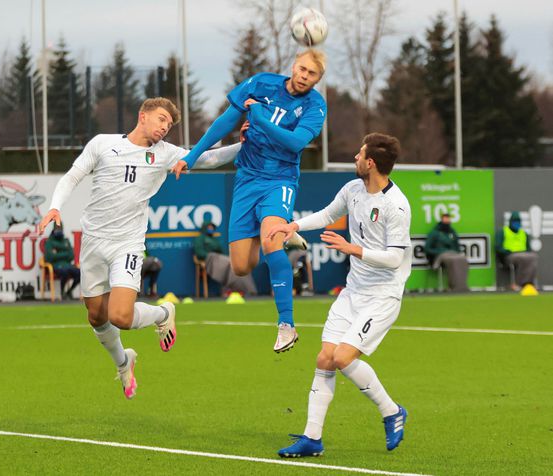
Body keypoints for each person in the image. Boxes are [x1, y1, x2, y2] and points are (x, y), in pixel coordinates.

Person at [38, 97, 239, 400]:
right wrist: (55, 207)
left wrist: (247, 144)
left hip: (128, 244)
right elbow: (73, 176)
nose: (164, 128)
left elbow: (208, 159)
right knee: (96, 316)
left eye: (169, 125)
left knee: (120, 315)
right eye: (160, 119)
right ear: (142, 115)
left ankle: (162, 313)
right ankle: (123, 361)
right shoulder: (103, 144)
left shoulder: (166, 154)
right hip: (93, 241)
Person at [172, 49, 327, 353]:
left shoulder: (315, 106)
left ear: (317, 79)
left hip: (279, 180)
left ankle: (286, 325)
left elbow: (296, 143)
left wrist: (258, 118)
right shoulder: (262, 83)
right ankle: (283, 231)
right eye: (302, 69)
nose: (304, 76)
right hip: (246, 179)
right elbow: (223, 122)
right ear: (293, 65)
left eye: (312, 74)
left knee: (270, 240)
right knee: (242, 266)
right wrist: (191, 157)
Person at [267, 133, 411, 456]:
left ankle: (392, 411)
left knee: (343, 358)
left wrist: (352, 249)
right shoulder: (353, 189)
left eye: (359, 154)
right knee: (325, 359)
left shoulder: (396, 206)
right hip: (353, 292)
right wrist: (294, 227)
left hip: (382, 296)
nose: (355, 158)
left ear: (370, 163)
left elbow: (395, 258)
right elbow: (328, 214)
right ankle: (312, 438)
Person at [193, 220, 257, 296]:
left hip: (219, 258)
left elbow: (221, 251)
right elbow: (199, 252)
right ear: (204, 228)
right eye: (209, 227)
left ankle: (248, 290)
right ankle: (235, 289)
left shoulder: (214, 239)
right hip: (210, 259)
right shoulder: (200, 238)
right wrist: (210, 256)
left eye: (212, 227)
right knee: (230, 264)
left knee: (238, 264)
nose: (211, 229)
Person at [424, 213, 469, 292]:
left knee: (463, 259)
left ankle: (462, 286)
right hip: (440, 256)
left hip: (453, 254)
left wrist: (456, 252)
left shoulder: (452, 232)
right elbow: (427, 249)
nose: (447, 221)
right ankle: (453, 286)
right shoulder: (434, 233)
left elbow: (457, 247)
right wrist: (440, 251)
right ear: (441, 220)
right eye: (445, 219)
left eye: (448, 219)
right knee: (453, 260)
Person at [495, 211, 538, 290]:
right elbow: (498, 247)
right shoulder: (503, 232)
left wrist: (526, 252)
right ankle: (520, 283)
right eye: (515, 221)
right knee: (522, 258)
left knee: (533, 257)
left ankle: (529, 283)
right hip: (509, 256)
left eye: (518, 221)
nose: (517, 223)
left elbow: (528, 248)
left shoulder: (523, 233)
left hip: (523, 254)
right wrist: (507, 252)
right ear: (510, 222)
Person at [43, 224, 81, 300]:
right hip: (56, 266)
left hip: (67, 265)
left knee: (80, 273)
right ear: (53, 229)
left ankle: (69, 291)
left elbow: (71, 256)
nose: (59, 230)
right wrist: (65, 253)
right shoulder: (49, 242)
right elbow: (50, 257)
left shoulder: (66, 241)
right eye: (57, 228)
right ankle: (62, 291)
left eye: (60, 228)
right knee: (64, 272)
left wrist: (57, 253)